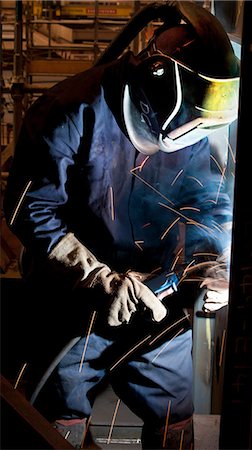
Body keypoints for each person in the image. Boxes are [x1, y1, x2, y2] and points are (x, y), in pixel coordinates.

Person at [4, 2, 239, 448]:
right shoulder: (67, 111)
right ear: (158, 80)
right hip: (72, 305)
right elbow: (29, 211)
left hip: (155, 301)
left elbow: (204, 197)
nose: (191, 132)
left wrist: (213, 262)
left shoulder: (187, 121)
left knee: (175, 419)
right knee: (58, 424)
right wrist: (98, 278)